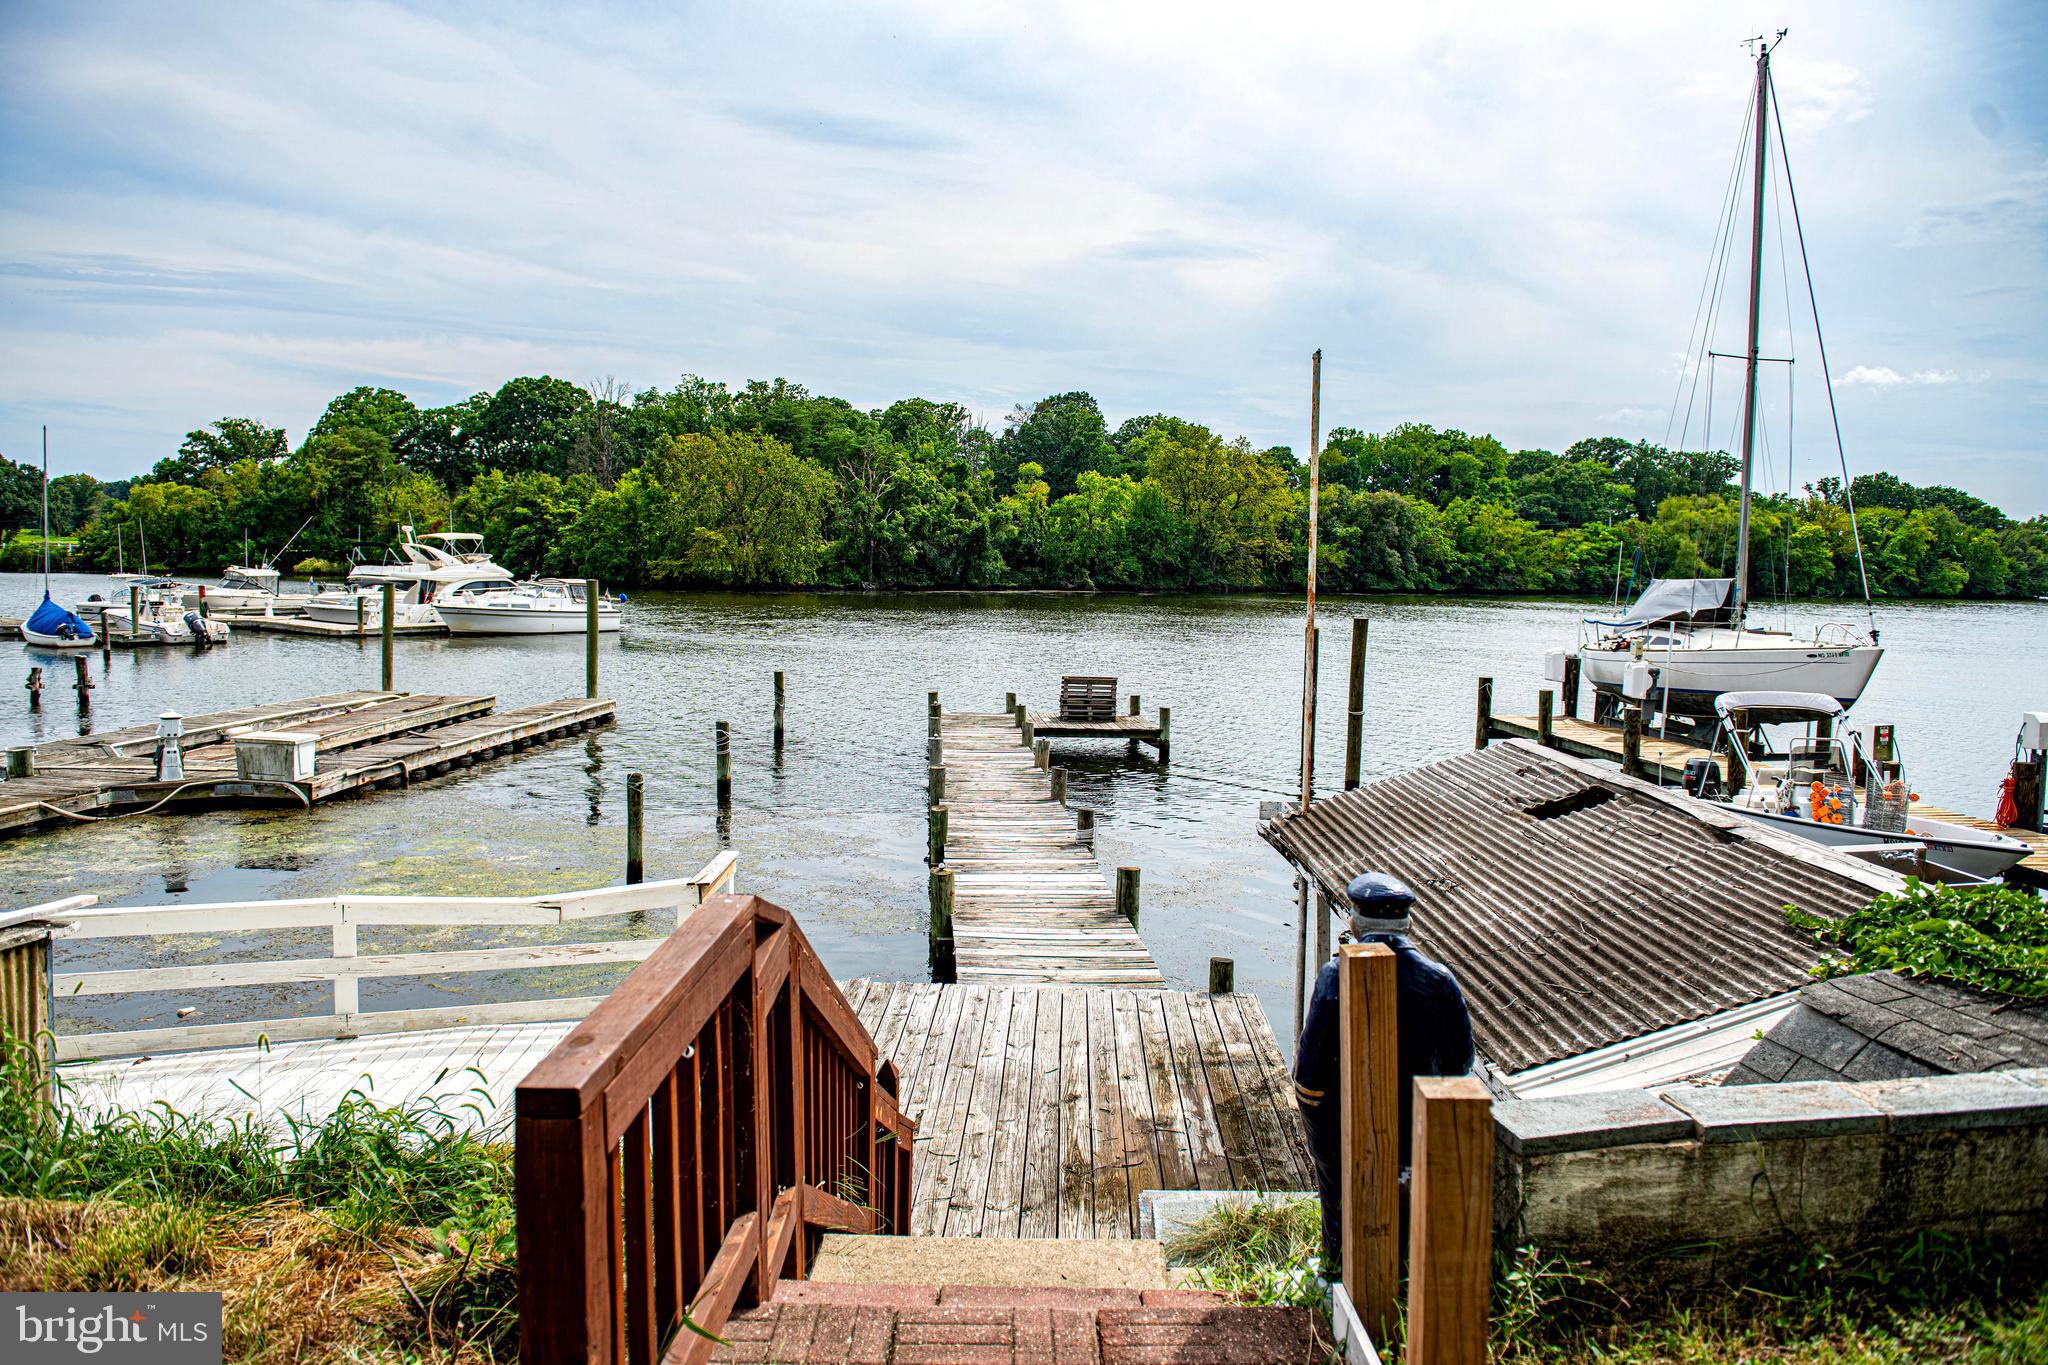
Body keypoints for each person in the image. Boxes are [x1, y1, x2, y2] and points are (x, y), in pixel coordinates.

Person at [1293, 871, 1474, 1273]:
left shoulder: (1334, 975)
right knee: (1409, 1195)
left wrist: (1317, 1116)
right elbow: (1461, 1064)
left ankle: (1337, 1266)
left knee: (1338, 1194)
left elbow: (1310, 1069)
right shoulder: (1440, 980)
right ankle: (1406, 1271)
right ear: (1407, 923)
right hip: (1417, 1114)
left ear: (1355, 922)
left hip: (1346, 1113)